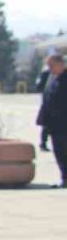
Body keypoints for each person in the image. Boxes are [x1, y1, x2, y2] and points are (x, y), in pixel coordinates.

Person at [43, 54, 67, 187]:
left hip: (64, 123)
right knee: (60, 153)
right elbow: (47, 100)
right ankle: (65, 179)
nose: (49, 69)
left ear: (61, 64)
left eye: (52, 65)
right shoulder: (52, 78)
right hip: (55, 125)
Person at [36, 60, 53, 152]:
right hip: (49, 102)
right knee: (47, 124)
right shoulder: (46, 73)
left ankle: (43, 143)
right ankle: (43, 143)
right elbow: (39, 86)